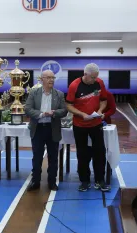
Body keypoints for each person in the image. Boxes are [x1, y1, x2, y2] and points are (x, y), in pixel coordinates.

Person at [66, 63, 110, 192]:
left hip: (96, 124)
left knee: (100, 152)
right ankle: (84, 181)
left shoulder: (99, 82)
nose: (95, 80)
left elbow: (103, 100)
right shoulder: (74, 85)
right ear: (85, 75)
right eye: (92, 78)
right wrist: (81, 114)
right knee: (82, 153)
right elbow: (68, 105)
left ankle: (99, 180)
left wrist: (101, 110)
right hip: (80, 125)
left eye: (96, 77)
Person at [25, 70, 68, 191]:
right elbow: (28, 109)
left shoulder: (59, 94)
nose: (51, 80)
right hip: (38, 129)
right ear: (42, 79)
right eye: (48, 77)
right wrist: (42, 114)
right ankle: (35, 181)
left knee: (53, 157)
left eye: (53, 77)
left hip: (52, 129)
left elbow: (64, 111)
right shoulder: (34, 93)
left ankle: (52, 182)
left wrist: (54, 113)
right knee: (37, 157)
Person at [85, 90, 116, 184]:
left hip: (104, 124)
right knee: (87, 150)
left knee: (101, 150)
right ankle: (85, 172)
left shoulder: (108, 94)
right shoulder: (88, 94)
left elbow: (112, 109)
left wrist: (105, 115)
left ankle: (103, 172)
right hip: (87, 124)